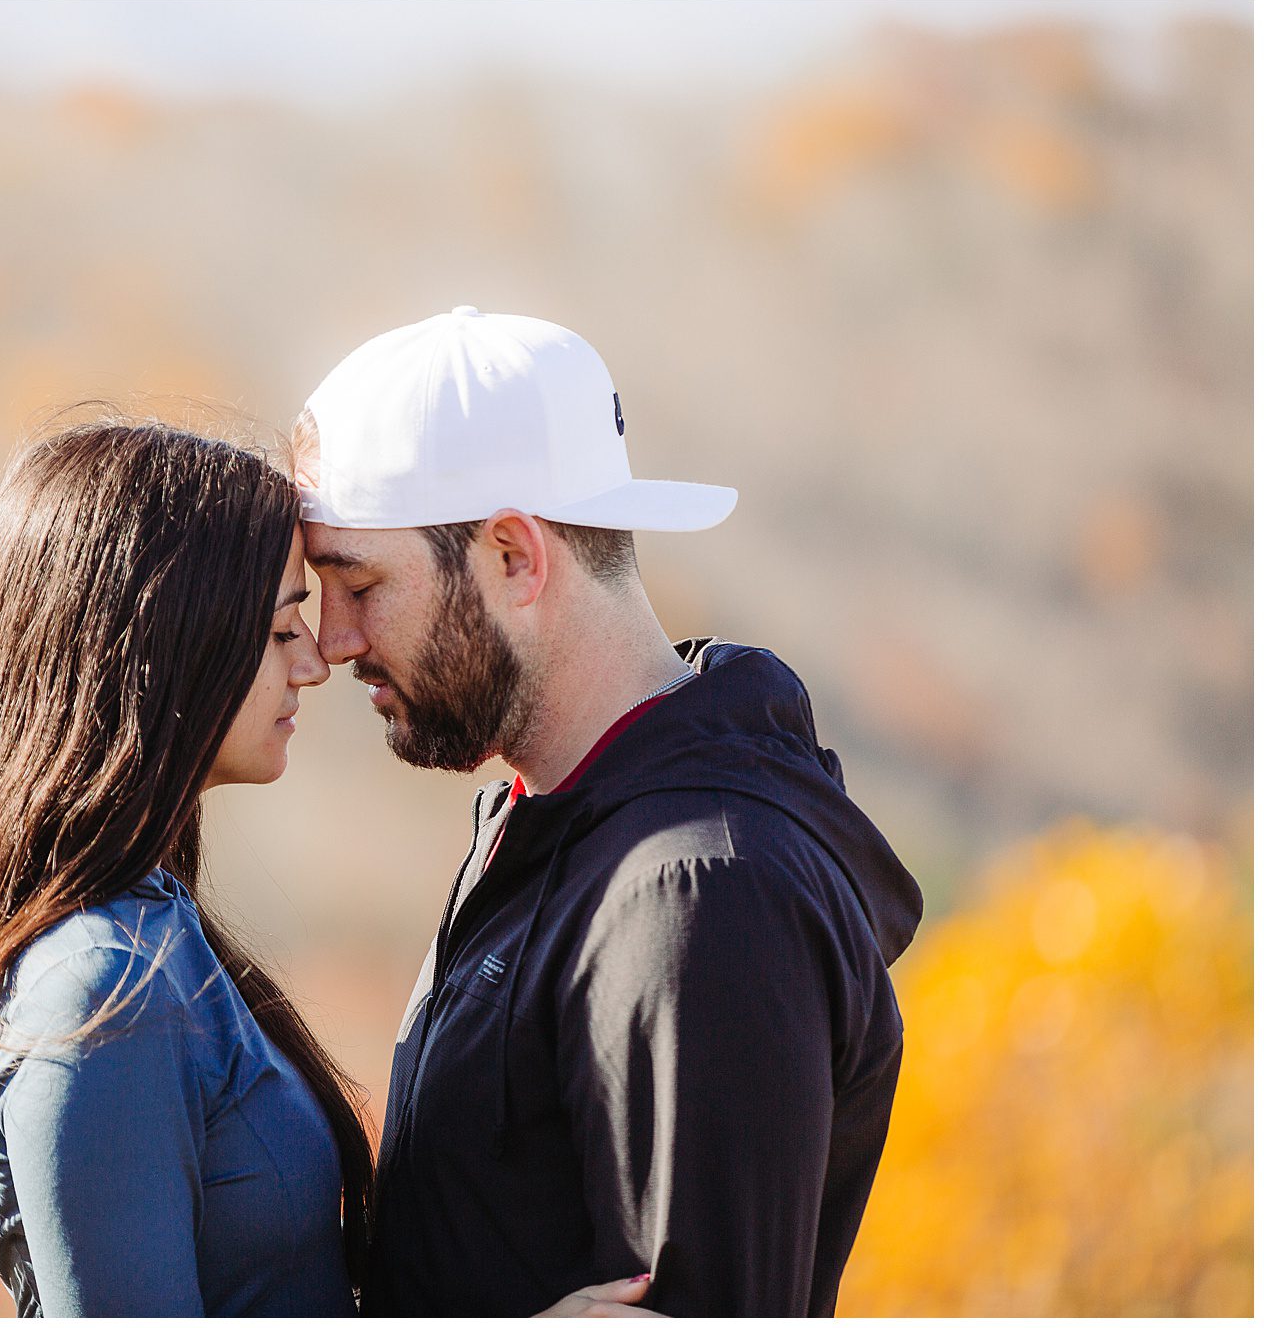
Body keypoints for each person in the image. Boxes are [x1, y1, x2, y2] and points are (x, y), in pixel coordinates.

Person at [0, 418, 657, 1317]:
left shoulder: (147, 932)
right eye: (282, 623)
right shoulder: (101, 992)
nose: (315, 662)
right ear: (166, 641)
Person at [293, 308, 924, 1317]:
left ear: (511, 556)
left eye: (357, 582)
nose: (329, 640)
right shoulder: (530, 812)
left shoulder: (696, 893)